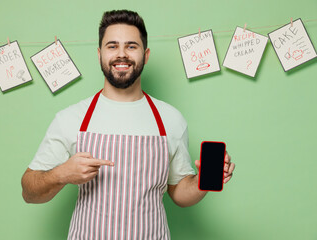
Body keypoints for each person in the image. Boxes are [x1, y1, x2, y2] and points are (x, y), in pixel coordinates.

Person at [21, 9, 235, 240]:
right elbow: (29, 192)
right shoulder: (70, 118)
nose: (121, 54)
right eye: (112, 46)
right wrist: (61, 174)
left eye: (131, 46)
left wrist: (203, 182)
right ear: (99, 53)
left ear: (146, 54)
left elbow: (179, 193)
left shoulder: (171, 119)